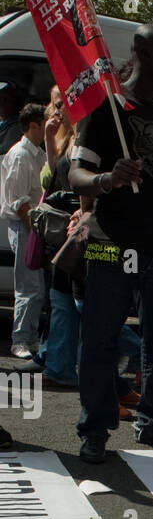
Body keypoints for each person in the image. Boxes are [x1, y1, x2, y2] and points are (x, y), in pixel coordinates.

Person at [69, 24, 153, 463]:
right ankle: (94, 428)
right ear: (144, 51)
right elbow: (76, 174)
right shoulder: (105, 108)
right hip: (110, 245)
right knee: (100, 339)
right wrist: (107, 179)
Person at [20, 85, 81, 388]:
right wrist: (48, 138)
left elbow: (76, 182)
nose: (55, 111)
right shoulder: (63, 136)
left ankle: (134, 352)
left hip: (76, 230)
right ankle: (56, 362)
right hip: (59, 230)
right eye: (53, 105)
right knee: (61, 300)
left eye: (60, 105)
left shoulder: (83, 135)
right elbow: (48, 178)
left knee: (75, 303)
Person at [0, 102, 46, 359]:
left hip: (33, 225)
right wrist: (35, 231)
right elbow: (19, 202)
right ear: (33, 125)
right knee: (28, 286)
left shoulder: (36, 153)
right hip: (25, 226)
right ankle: (20, 340)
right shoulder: (21, 155)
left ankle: (30, 337)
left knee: (36, 287)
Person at [0, 83, 21, 156]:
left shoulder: (17, 127)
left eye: (5, 100)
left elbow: (5, 149)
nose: (2, 103)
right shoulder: (2, 123)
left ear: (14, 102)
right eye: (0, 99)